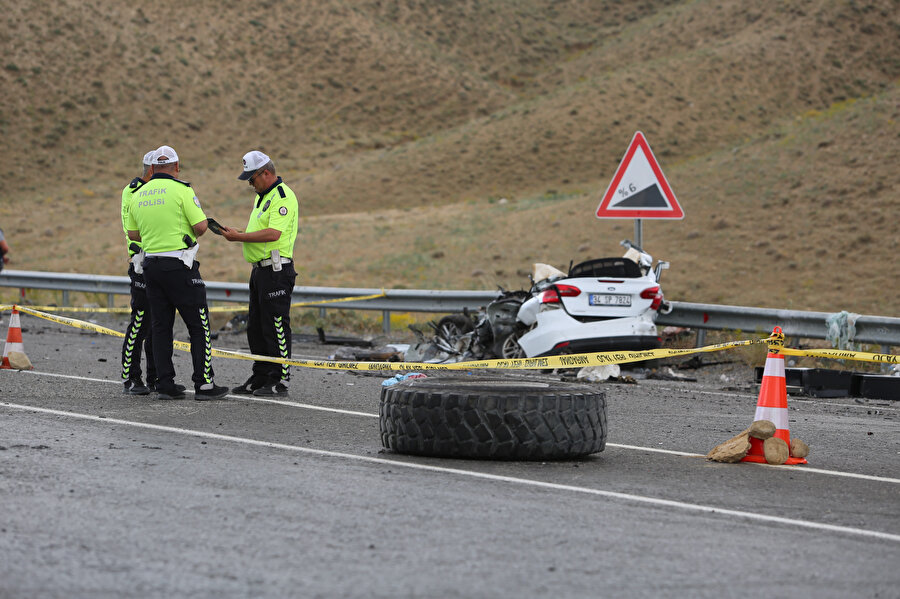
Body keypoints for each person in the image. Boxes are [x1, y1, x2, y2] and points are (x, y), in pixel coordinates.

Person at [125, 145, 227, 401]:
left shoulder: (138, 194)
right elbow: (201, 227)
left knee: (160, 327)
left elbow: (133, 233)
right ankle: (204, 384)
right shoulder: (183, 190)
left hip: (151, 265)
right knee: (198, 325)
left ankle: (165, 384)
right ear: (177, 167)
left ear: (152, 168)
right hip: (179, 265)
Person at [220, 150, 299, 397]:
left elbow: (273, 234)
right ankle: (261, 374)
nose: (250, 184)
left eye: (251, 179)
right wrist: (240, 233)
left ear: (265, 173)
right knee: (256, 326)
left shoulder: (282, 196)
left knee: (275, 325)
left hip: (276, 270)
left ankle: (280, 378)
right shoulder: (262, 197)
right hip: (259, 270)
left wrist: (239, 237)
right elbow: (261, 231)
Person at [120, 150, 157, 395]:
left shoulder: (159, 191)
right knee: (140, 322)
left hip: (161, 261)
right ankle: (131, 376)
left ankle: (155, 376)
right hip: (142, 262)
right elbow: (133, 230)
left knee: (158, 324)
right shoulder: (133, 191)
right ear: (151, 170)